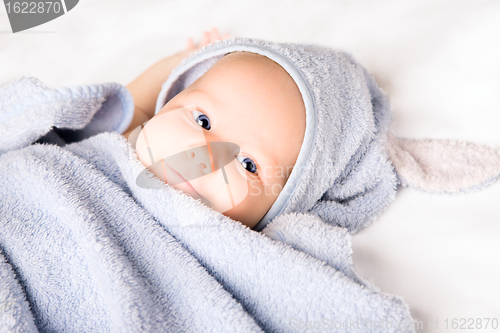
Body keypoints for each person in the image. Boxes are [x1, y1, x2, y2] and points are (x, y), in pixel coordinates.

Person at [123, 28, 306, 229]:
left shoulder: (249, 250)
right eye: (202, 122)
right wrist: (182, 60)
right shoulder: (121, 146)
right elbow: (133, 107)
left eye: (248, 164)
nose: (206, 156)